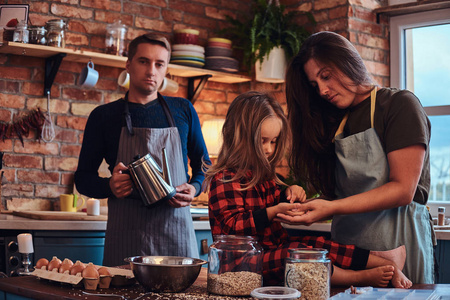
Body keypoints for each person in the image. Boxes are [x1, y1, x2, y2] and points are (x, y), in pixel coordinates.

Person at [203, 91, 411, 288]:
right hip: (241, 264)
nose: (269, 149)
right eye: (263, 141)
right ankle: (360, 277)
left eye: (274, 141)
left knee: (317, 242)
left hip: (270, 252)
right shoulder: (224, 179)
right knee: (294, 254)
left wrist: (290, 193)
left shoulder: (264, 177)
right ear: (240, 136)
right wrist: (272, 212)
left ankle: (386, 262)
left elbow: (277, 200)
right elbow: (232, 227)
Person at [277, 31, 435, 284]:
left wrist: (331, 207)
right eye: (315, 85)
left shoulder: (399, 105)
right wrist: (308, 205)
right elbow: (344, 192)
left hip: (398, 243)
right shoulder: (337, 121)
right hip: (350, 252)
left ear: (347, 60)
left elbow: (403, 190)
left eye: (326, 76)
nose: (323, 90)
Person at [74, 33, 210, 266]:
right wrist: (109, 186)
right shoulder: (104, 116)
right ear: (129, 64)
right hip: (127, 234)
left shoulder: (183, 110)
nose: (151, 71)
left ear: (166, 68)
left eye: (159, 64)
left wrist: (194, 187)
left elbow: (204, 166)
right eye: (143, 61)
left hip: (175, 233)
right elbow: (83, 179)